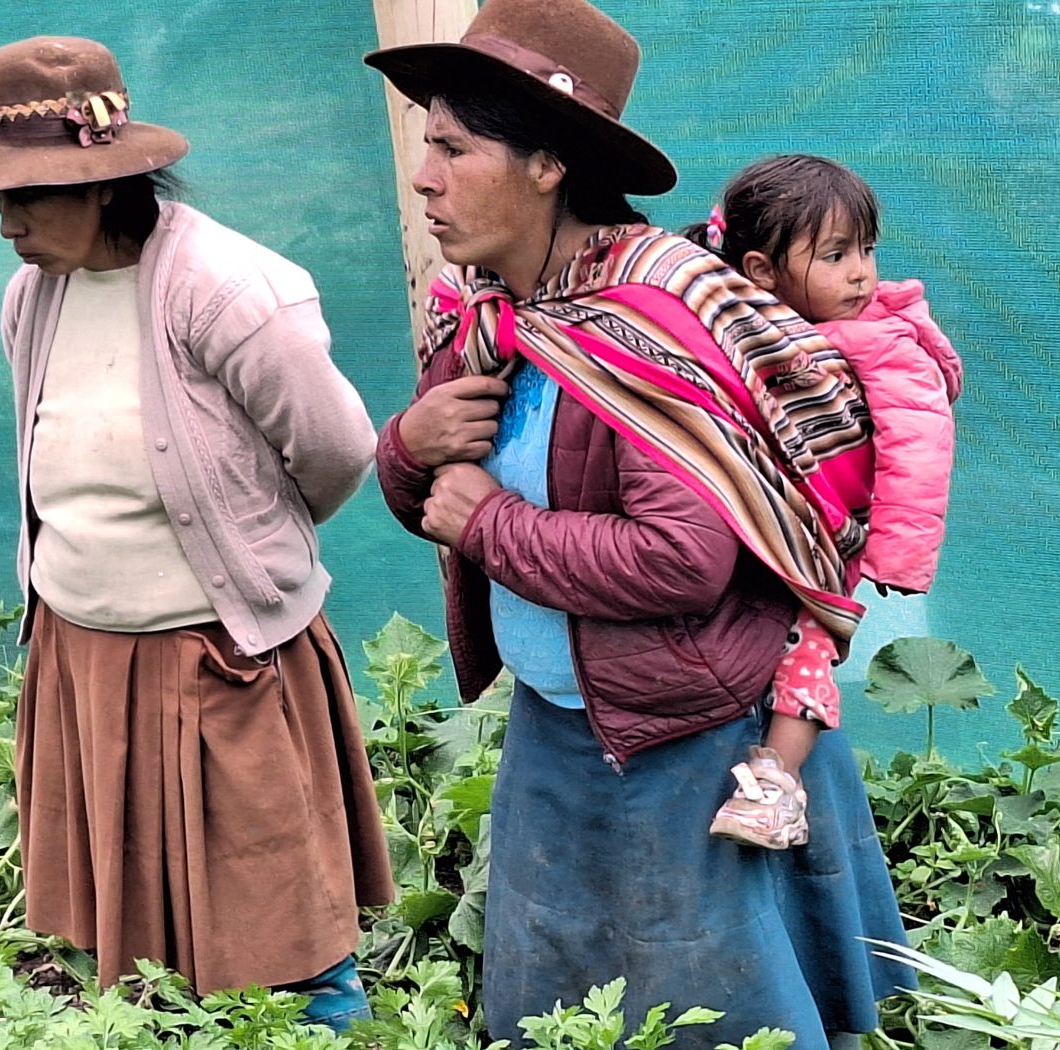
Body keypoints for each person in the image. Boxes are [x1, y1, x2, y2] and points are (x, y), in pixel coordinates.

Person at [363, 0, 913, 1044]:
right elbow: (439, 498)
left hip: (689, 739)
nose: (425, 177)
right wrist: (410, 443)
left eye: (454, 148)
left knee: (715, 1016)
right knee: (561, 1011)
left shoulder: (650, 322)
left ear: (547, 165)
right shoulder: (493, 311)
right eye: (426, 146)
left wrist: (489, 526)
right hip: (560, 721)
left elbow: (680, 562)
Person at [0, 36, 392, 1030]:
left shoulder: (230, 292)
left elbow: (338, 449)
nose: (6, 224)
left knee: (279, 909)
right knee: (132, 916)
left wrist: (249, 546)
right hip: (85, 650)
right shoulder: (34, 295)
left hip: (217, 653)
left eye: (26, 196)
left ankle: (327, 1026)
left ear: (103, 182)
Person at [689, 156, 964, 850]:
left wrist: (898, 557)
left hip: (824, 542)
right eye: (837, 256)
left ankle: (775, 785)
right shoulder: (730, 323)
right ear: (760, 270)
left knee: (807, 648)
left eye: (865, 250)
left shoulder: (877, 339)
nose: (862, 273)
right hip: (757, 534)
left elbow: (921, 444)